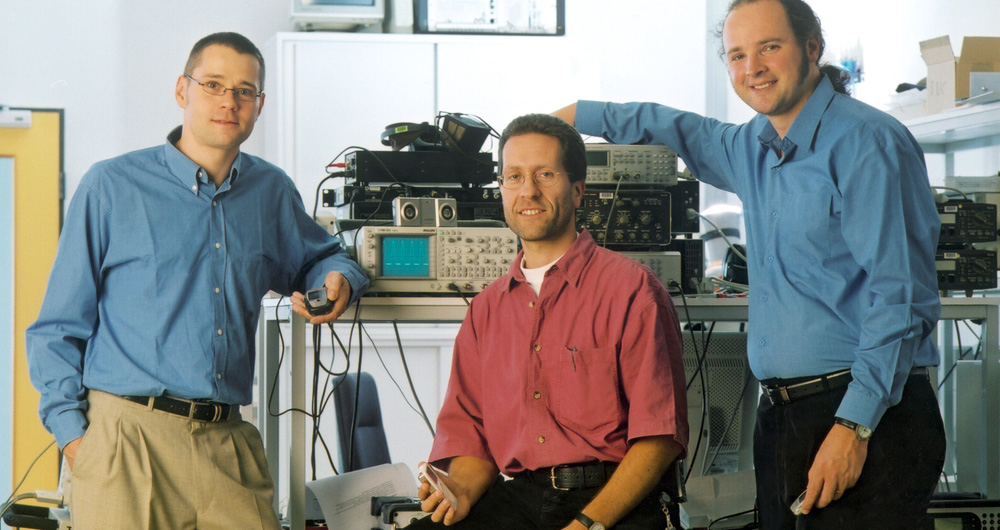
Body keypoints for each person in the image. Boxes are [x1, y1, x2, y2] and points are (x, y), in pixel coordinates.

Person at [553, 1, 945, 528]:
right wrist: (567, 119)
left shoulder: (866, 142)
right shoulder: (752, 147)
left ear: (812, 48)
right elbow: (674, 126)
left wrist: (855, 427)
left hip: (865, 414)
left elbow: (902, 299)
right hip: (784, 416)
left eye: (769, 47)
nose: (752, 67)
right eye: (736, 55)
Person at [26, 32, 369, 530]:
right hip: (126, 443)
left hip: (226, 441)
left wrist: (338, 277)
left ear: (259, 104)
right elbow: (56, 328)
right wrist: (75, 439)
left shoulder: (270, 192)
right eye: (213, 84)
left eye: (244, 91)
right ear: (182, 91)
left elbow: (324, 257)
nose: (229, 101)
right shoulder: (111, 187)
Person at [410, 113, 688, 530]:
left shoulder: (633, 291)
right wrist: (461, 490)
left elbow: (659, 438)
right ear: (501, 189)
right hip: (521, 497)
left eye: (544, 174)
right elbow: (470, 438)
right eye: (514, 176)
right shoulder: (485, 310)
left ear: (578, 191)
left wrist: (587, 524)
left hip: (613, 498)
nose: (528, 191)